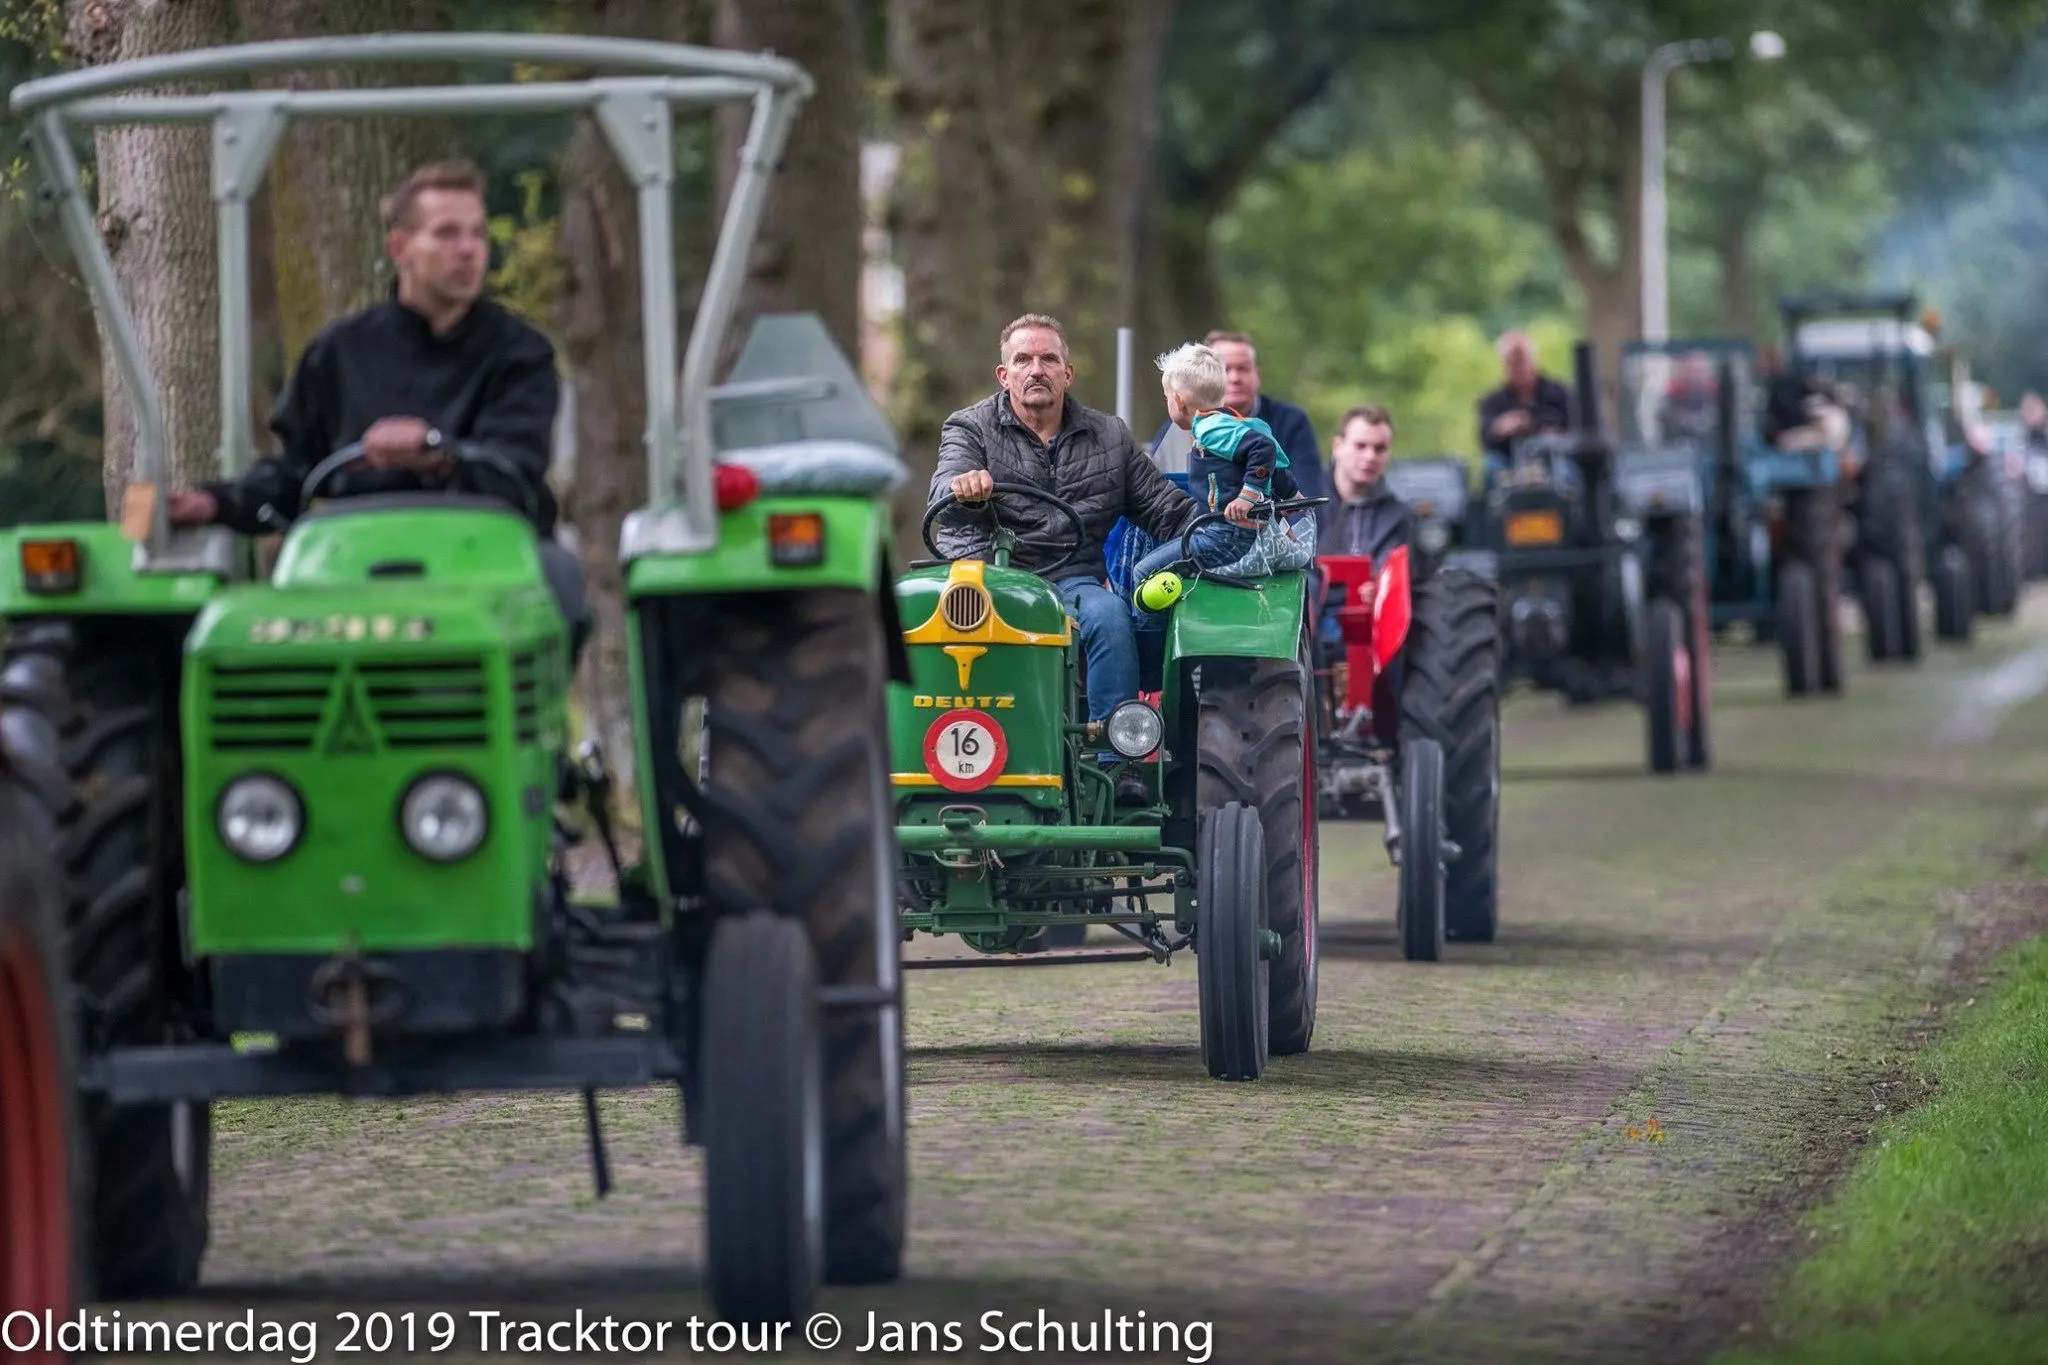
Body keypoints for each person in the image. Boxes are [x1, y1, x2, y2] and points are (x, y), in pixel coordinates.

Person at [167, 158, 591, 658]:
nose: (469, 250)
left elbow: (515, 469)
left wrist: (436, 455)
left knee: (559, 581)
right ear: (400, 248)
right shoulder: (339, 352)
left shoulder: (521, 353)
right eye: (447, 234)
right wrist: (214, 503)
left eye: (477, 234)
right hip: (353, 557)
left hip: (484, 550)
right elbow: (295, 475)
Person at [929, 313, 1197, 798]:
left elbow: (1164, 508)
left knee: (1110, 613)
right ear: (1003, 374)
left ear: (1067, 373)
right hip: (999, 578)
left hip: (1074, 579)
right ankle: (957, 761)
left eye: (1049, 358)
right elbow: (945, 500)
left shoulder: (1109, 436)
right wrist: (965, 487)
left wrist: (1221, 524)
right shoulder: (969, 428)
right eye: (1023, 359)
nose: (1037, 369)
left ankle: (1117, 766)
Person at [1126, 342, 1300, 597]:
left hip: (1223, 536)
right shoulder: (1236, 422)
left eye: (1167, 399)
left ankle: (1146, 635)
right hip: (1236, 533)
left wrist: (1246, 496)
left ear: (1178, 401)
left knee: (1143, 573)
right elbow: (1274, 460)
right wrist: (1291, 495)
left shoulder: (1209, 430)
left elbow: (1263, 450)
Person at [1312, 405, 1414, 724]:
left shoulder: (1397, 517)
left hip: (1369, 629)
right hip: (1308, 618)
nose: (1370, 456)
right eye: (1361, 446)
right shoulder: (1303, 500)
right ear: (1338, 446)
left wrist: (1379, 588)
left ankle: (1392, 737)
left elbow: (1395, 571)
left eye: (1379, 448)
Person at [1147, 329, 1324, 497]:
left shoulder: (1291, 422)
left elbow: (1308, 491)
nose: (1234, 378)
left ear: (1258, 375)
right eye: (1224, 369)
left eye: (1243, 368)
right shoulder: (1177, 429)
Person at [1476, 330, 1574, 478]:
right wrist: (1500, 428)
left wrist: (1534, 424)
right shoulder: (1492, 401)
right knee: (1492, 466)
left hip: (1554, 456)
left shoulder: (1560, 392)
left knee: (1567, 470)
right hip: (1509, 462)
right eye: (1512, 362)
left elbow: (1575, 428)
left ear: (1534, 360)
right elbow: (1485, 440)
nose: (1518, 368)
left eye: (1521, 360)